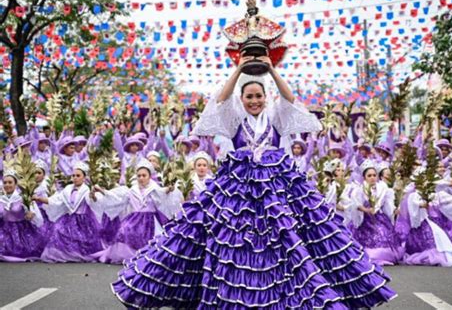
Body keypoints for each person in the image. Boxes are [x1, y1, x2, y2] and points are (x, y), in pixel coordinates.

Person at [111, 53, 396, 308]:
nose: (254, 101)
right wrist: (239, 70)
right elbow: (221, 100)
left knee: (294, 236)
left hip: (276, 186)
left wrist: (271, 71)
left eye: (258, 96)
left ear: (265, 97)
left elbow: (290, 100)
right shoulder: (234, 120)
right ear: (242, 99)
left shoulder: (276, 117)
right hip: (238, 187)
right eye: (249, 97)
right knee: (219, 237)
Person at [91, 160, 182, 263]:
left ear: (149, 176)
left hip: (150, 220)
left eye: (144, 175)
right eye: (139, 176)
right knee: (124, 229)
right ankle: (126, 255)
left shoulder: (154, 189)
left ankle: (146, 255)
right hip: (134, 219)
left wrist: (169, 189)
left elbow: (163, 193)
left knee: (154, 237)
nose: (141, 178)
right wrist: (102, 191)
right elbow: (117, 197)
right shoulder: (132, 190)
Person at [34, 162, 103, 262]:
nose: (75, 178)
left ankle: (78, 254)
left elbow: (92, 200)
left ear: (84, 177)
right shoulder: (67, 189)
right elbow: (56, 200)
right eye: (73, 175)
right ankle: (64, 254)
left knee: (82, 238)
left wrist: (93, 195)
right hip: (68, 219)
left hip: (82, 220)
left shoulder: (86, 189)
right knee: (58, 230)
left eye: (78, 176)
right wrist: (39, 198)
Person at [351, 160, 402, 266]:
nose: (372, 177)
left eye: (374, 175)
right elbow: (356, 204)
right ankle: (373, 255)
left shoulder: (383, 189)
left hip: (379, 217)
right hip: (366, 219)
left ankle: (386, 255)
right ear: (364, 177)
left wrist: (394, 210)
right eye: (369, 175)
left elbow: (387, 204)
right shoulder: (359, 190)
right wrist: (366, 210)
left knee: (383, 232)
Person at [0, 171, 46, 261]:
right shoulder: (1, 199)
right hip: (4, 230)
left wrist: (31, 214)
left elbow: (36, 215)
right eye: (5, 183)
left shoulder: (23, 198)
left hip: (20, 230)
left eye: (10, 182)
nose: (7, 185)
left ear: (15, 184)